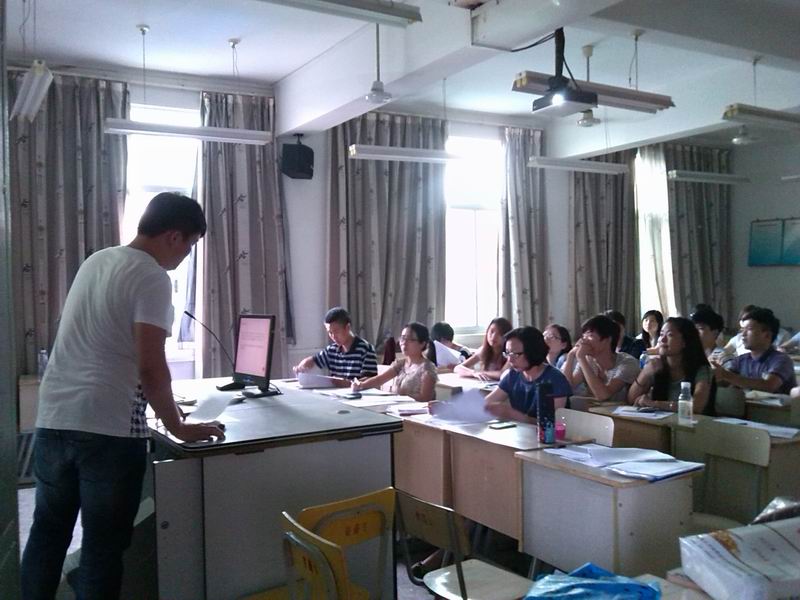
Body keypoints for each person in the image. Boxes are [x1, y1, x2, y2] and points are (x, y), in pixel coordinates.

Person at [20, 193, 225, 599]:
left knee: (47, 534)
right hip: (108, 431)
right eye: (189, 245)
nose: (186, 255)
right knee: (103, 549)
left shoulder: (97, 260)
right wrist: (178, 426)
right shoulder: (151, 276)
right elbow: (151, 366)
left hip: (54, 418)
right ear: (173, 236)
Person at [485, 327, 572, 423]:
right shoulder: (513, 375)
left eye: (516, 354)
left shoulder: (555, 379)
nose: (510, 360)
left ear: (532, 352)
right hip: (522, 431)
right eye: (508, 353)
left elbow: (552, 424)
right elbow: (486, 403)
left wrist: (511, 414)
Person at [628, 317, 713, 415]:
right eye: (661, 335)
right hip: (660, 422)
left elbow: (696, 406)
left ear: (685, 342)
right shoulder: (656, 366)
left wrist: (654, 404)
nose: (662, 339)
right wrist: (645, 373)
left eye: (669, 335)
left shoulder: (702, 370)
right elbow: (631, 399)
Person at [712, 307, 797, 395]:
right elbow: (725, 382)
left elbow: (769, 385)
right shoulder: (741, 360)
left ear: (767, 335)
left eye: (749, 329)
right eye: (742, 330)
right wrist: (712, 376)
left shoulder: (782, 360)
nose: (743, 334)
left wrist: (726, 375)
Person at [562, 314, 641, 403]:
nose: (584, 341)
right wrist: (570, 355)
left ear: (607, 339)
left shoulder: (628, 363)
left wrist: (581, 358)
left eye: (590, 336)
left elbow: (603, 396)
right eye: (584, 336)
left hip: (620, 411)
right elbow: (565, 388)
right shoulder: (589, 361)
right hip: (594, 410)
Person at [294, 307, 378, 387]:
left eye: (336, 331)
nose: (333, 336)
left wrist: (348, 384)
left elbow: (371, 381)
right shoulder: (332, 350)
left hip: (359, 395)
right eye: (330, 332)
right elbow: (314, 360)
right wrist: (302, 366)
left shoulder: (366, 349)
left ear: (347, 328)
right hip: (335, 394)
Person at [353, 322, 438, 402]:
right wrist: (361, 385)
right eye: (403, 338)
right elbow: (379, 380)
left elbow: (425, 398)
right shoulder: (401, 364)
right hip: (397, 407)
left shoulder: (427, 368)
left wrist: (400, 396)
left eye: (410, 339)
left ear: (422, 344)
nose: (404, 342)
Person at [454, 317, 512, 381]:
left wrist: (481, 373)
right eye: (491, 331)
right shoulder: (483, 350)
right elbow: (458, 368)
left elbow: (502, 374)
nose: (493, 337)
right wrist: (473, 373)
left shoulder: (512, 353)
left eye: (499, 334)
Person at [723, 304, 792, 356]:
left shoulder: (779, 361)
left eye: (749, 329)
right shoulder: (742, 359)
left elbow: (786, 351)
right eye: (743, 329)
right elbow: (724, 351)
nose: (743, 334)